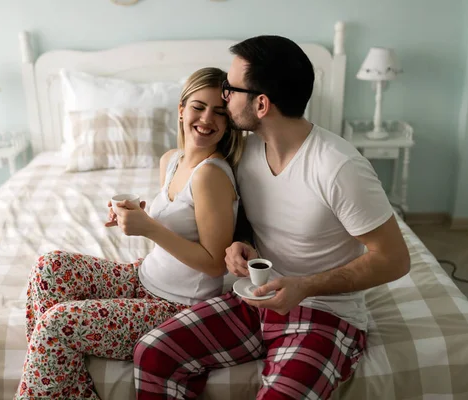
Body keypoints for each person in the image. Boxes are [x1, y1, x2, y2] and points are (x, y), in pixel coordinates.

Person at [133, 36, 411, 400]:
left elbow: (395, 259)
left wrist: (305, 285)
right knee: (153, 352)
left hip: (325, 315)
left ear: (261, 104)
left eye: (231, 89)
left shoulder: (339, 167)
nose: (224, 96)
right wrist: (241, 244)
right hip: (254, 299)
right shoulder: (244, 153)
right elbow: (246, 217)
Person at [15, 67, 245, 399]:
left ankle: (55, 368)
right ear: (181, 109)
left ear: (228, 123)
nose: (207, 118)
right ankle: (64, 381)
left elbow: (213, 264)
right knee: (49, 269)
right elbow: (180, 222)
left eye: (220, 112)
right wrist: (139, 214)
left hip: (178, 306)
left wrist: (148, 228)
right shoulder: (171, 160)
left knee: (56, 322)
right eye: (199, 106)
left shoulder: (211, 176)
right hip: (143, 278)